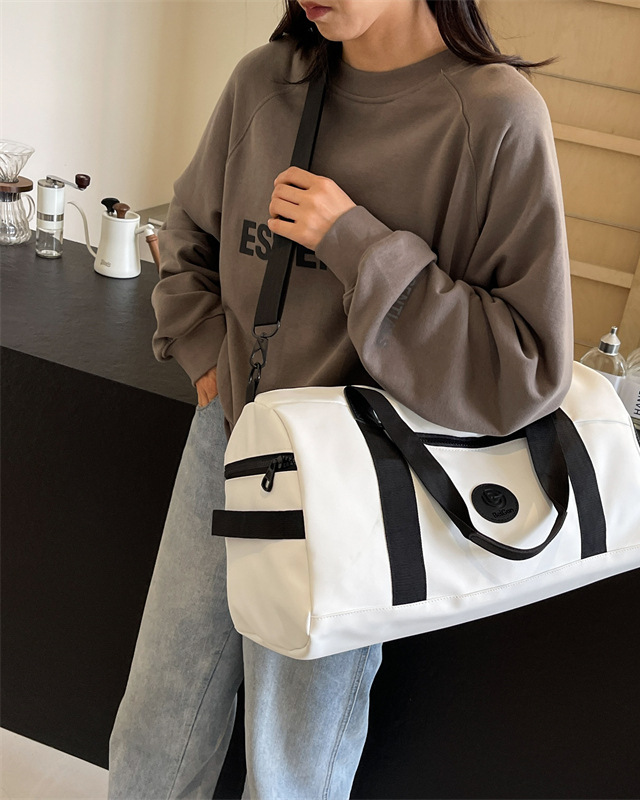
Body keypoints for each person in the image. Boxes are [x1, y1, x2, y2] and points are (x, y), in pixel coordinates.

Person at [108, 0, 573, 797]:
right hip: (232, 438)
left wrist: (355, 241)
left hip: (356, 478)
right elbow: (187, 234)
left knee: (292, 762)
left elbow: (526, 365)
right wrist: (205, 354)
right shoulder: (267, 81)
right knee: (159, 716)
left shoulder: (496, 117)